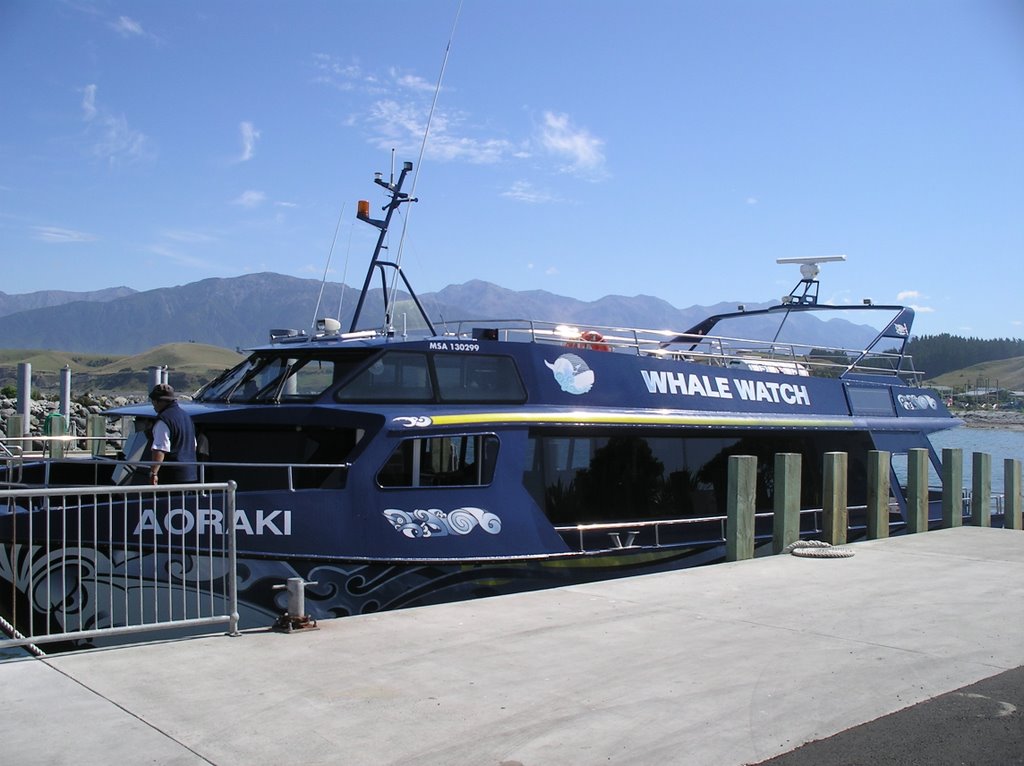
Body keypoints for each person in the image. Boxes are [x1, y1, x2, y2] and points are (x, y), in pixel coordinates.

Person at [147, 383, 198, 485]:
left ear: (159, 401)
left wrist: (154, 473)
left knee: (166, 501)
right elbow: (194, 445)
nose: (153, 405)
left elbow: (160, 449)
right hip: (191, 475)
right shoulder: (186, 417)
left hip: (171, 477)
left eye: (153, 401)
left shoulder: (164, 420)